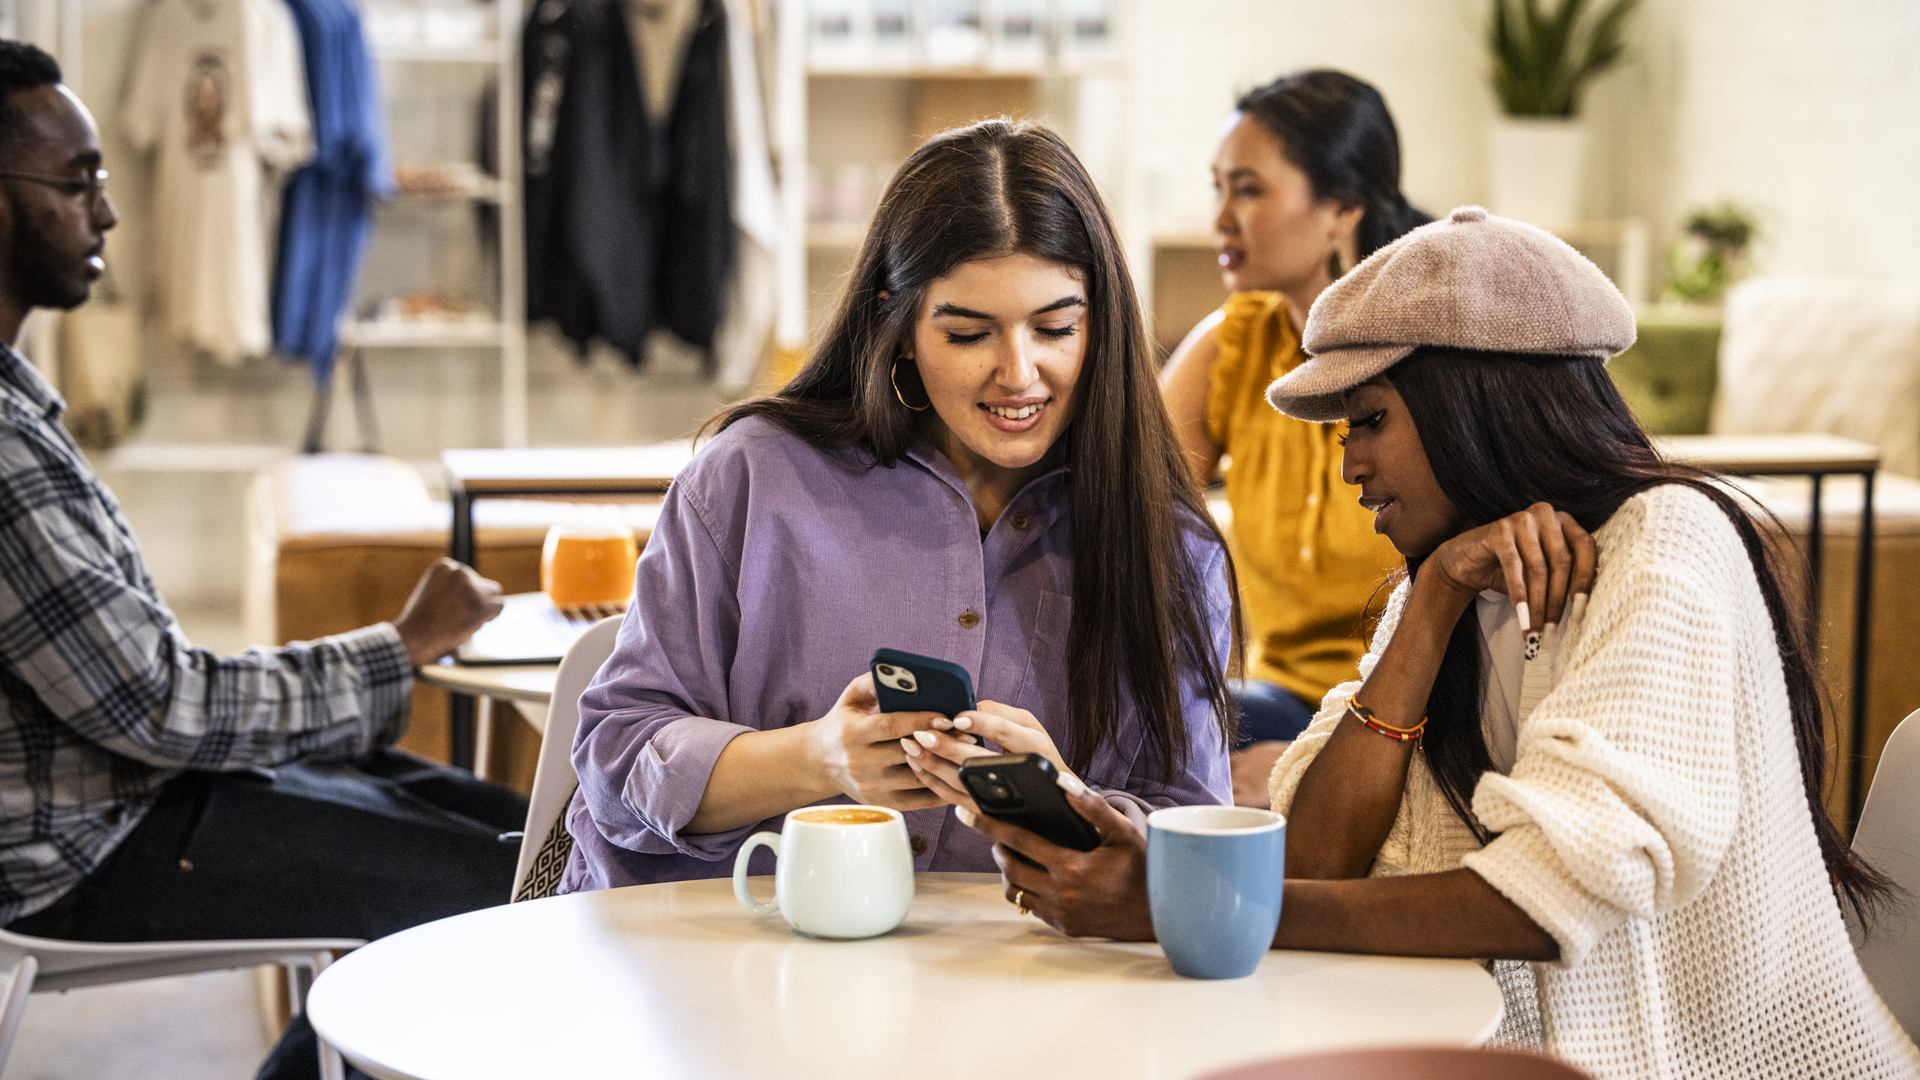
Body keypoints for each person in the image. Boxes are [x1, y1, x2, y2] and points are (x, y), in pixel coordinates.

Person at [939, 208, 1920, 1077]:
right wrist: (1433, 604)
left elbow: (1544, 903)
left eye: (1369, 420)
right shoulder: (1458, 571)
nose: (1349, 462)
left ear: (1476, 405)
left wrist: (1173, 904)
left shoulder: (1664, 546)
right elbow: (1320, 857)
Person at [0, 42, 525, 1080]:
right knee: (506, 897)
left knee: (530, 835)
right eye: (77, 183)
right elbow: (162, 707)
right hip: (89, 847)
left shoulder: (19, 405)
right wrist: (401, 645)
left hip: (129, 793)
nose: (105, 212)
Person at [562, 119, 1237, 893]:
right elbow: (615, 761)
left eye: (1055, 327)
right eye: (969, 333)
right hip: (727, 956)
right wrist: (816, 756)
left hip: (1011, 978)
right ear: (900, 322)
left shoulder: (1170, 546)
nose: (1020, 373)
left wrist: (1065, 804)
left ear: (1099, 322)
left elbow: (1194, 839)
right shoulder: (752, 477)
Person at [1157, 70, 1427, 803]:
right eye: (1218, 188)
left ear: (1341, 204)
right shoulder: (1237, 343)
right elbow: (1125, 493)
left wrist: (1311, 759)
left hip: (1422, 705)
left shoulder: (1434, 347)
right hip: (1277, 699)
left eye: (1247, 190)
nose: (1220, 218)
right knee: (1156, 723)